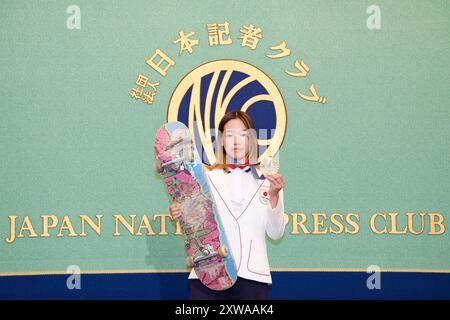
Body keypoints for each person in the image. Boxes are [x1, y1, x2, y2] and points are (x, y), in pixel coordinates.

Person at [169, 110, 285, 300]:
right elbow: (195, 226)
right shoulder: (204, 178)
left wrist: (274, 195)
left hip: (252, 277)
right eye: (229, 135)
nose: (236, 141)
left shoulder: (269, 180)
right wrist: (180, 213)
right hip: (209, 274)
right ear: (221, 140)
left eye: (243, 135)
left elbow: (276, 232)